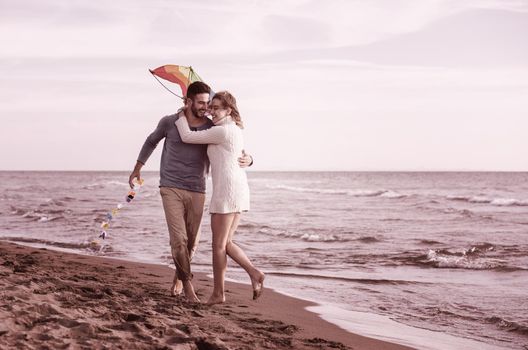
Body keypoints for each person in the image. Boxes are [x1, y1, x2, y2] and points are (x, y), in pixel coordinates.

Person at [128, 82, 253, 302]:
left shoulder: (210, 126)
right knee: (179, 240)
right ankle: (188, 287)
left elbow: (234, 147)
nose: (206, 107)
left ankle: (179, 276)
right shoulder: (169, 122)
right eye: (202, 103)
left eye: (209, 103)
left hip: (197, 188)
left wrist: (250, 159)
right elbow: (151, 141)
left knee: (192, 243)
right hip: (170, 186)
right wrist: (137, 168)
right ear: (188, 101)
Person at [176, 90, 265, 305]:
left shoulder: (223, 131)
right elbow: (241, 154)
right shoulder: (229, 129)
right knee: (225, 243)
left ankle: (219, 293)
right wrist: (250, 159)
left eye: (216, 108)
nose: (211, 111)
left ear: (229, 110)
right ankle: (254, 274)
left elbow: (187, 136)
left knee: (218, 245)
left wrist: (181, 116)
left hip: (227, 190)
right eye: (211, 107)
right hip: (237, 189)